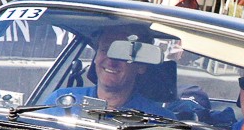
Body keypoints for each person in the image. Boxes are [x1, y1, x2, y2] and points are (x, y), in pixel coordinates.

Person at [45, 28, 173, 118]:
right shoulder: (61, 102)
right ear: (95, 58)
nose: (111, 61)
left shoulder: (159, 120)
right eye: (105, 50)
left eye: (122, 53)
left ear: (141, 66)